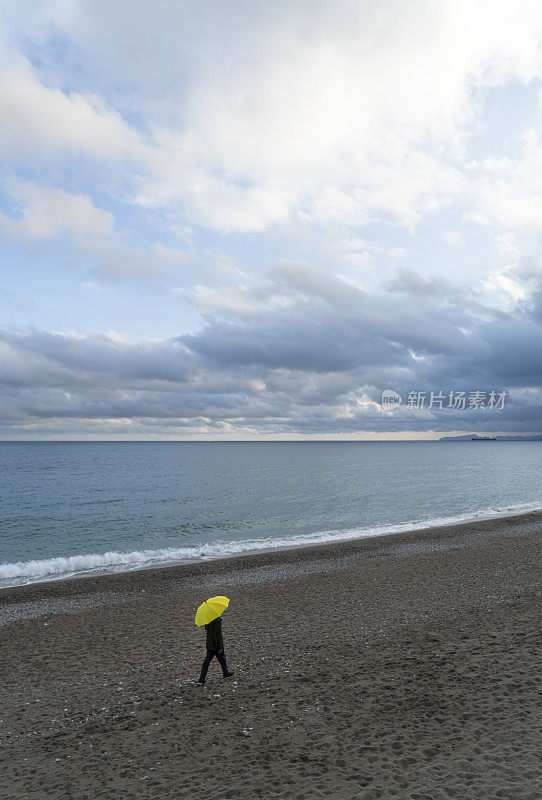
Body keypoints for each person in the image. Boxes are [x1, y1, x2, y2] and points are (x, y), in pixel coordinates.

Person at [197, 614, 234, 685]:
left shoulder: (208, 619)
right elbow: (218, 635)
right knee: (222, 658)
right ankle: (225, 673)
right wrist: (220, 647)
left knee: (207, 662)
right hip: (215, 645)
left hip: (209, 644)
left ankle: (202, 678)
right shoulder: (217, 620)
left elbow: (206, 629)